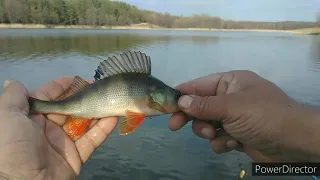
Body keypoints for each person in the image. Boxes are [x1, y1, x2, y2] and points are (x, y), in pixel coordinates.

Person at [0, 70, 319, 179]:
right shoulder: (155, 98)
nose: (180, 99)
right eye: (173, 96)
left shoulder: (154, 98)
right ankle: (38, 107)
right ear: (157, 97)